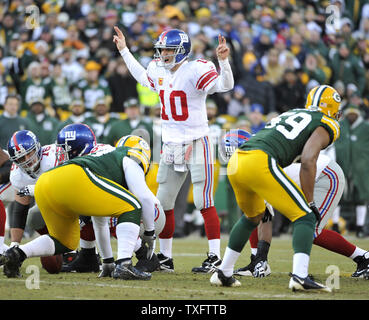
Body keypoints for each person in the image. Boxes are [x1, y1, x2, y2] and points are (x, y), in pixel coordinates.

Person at [113, 26, 234, 273]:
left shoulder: (197, 68)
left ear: (181, 51)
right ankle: (165, 257)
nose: (163, 54)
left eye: (169, 50)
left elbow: (225, 85)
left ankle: (214, 257)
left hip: (197, 141)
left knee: (204, 200)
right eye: (162, 49)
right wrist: (124, 50)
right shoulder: (158, 69)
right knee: (163, 202)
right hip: (170, 144)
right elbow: (141, 76)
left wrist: (224, 61)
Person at [210, 85, 342, 292]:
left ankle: (224, 272)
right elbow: (308, 160)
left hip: (238, 160)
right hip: (259, 160)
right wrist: (309, 201)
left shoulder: (293, 112)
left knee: (252, 216)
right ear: (333, 109)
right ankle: (300, 276)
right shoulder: (327, 122)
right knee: (305, 216)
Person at [0, 130, 159, 281]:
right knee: (132, 206)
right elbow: (144, 198)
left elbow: (99, 219)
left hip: (43, 187)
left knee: (64, 241)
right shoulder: (128, 158)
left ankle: (18, 254)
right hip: (73, 177)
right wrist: (150, 234)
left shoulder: (104, 154)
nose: (27, 159)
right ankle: (126, 262)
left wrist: (108, 262)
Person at [221, 129, 369, 280]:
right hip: (308, 177)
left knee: (310, 230)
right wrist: (258, 259)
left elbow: (265, 219)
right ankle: (257, 263)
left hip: (325, 175)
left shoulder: (257, 163)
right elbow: (259, 214)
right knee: (253, 212)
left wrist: (261, 257)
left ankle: (364, 258)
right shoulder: (257, 157)